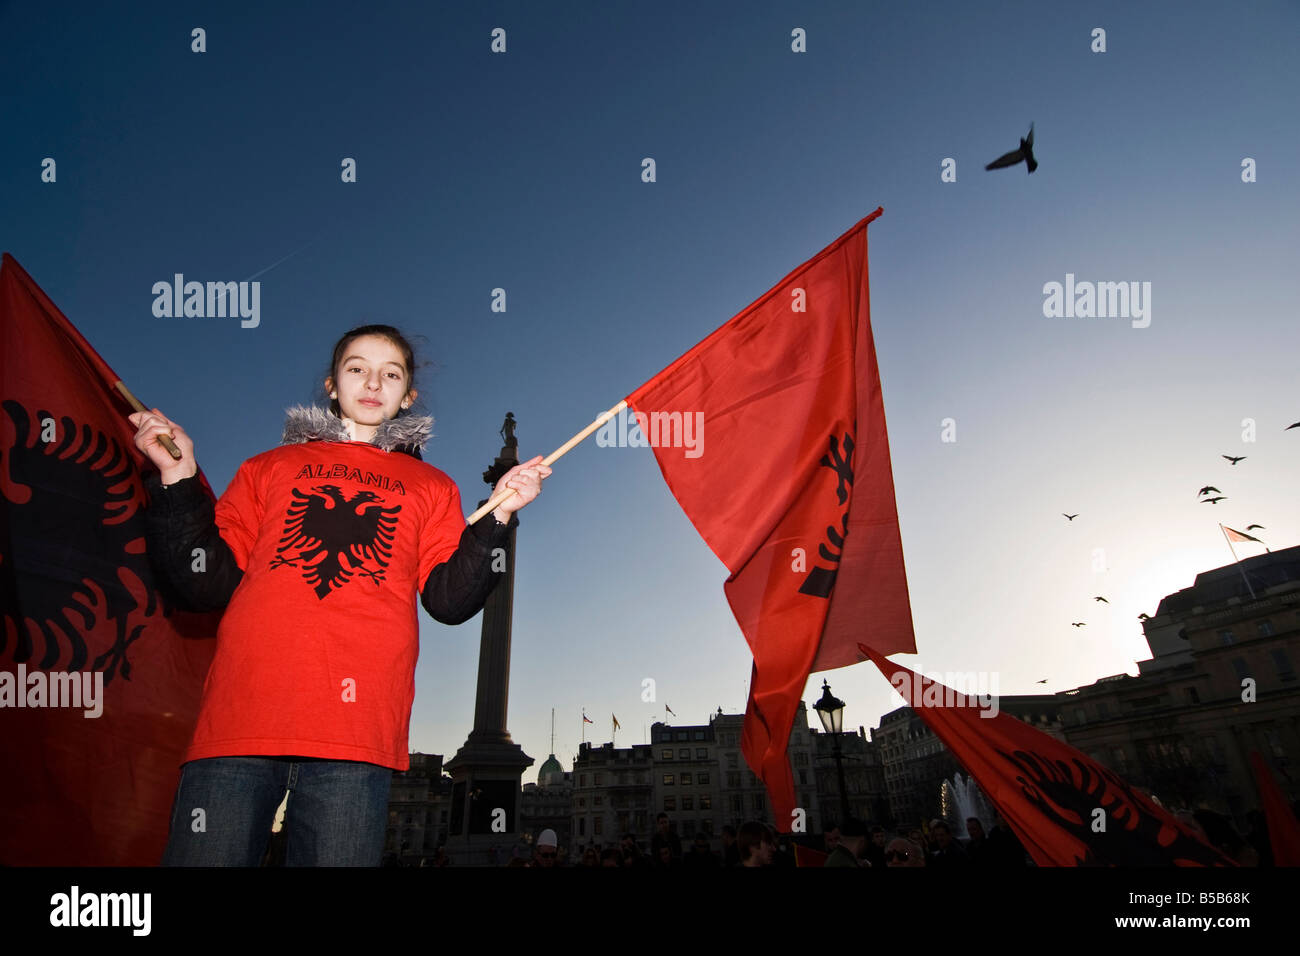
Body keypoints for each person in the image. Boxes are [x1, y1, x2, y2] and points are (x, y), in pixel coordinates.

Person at [130, 325, 550, 866]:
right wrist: (178, 479)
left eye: (391, 373)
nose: (373, 382)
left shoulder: (432, 487)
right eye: (357, 368)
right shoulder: (266, 468)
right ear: (332, 384)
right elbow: (201, 583)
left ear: (408, 395)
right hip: (241, 719)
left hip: (357, 732)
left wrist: (499, 515)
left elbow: (449, 600)